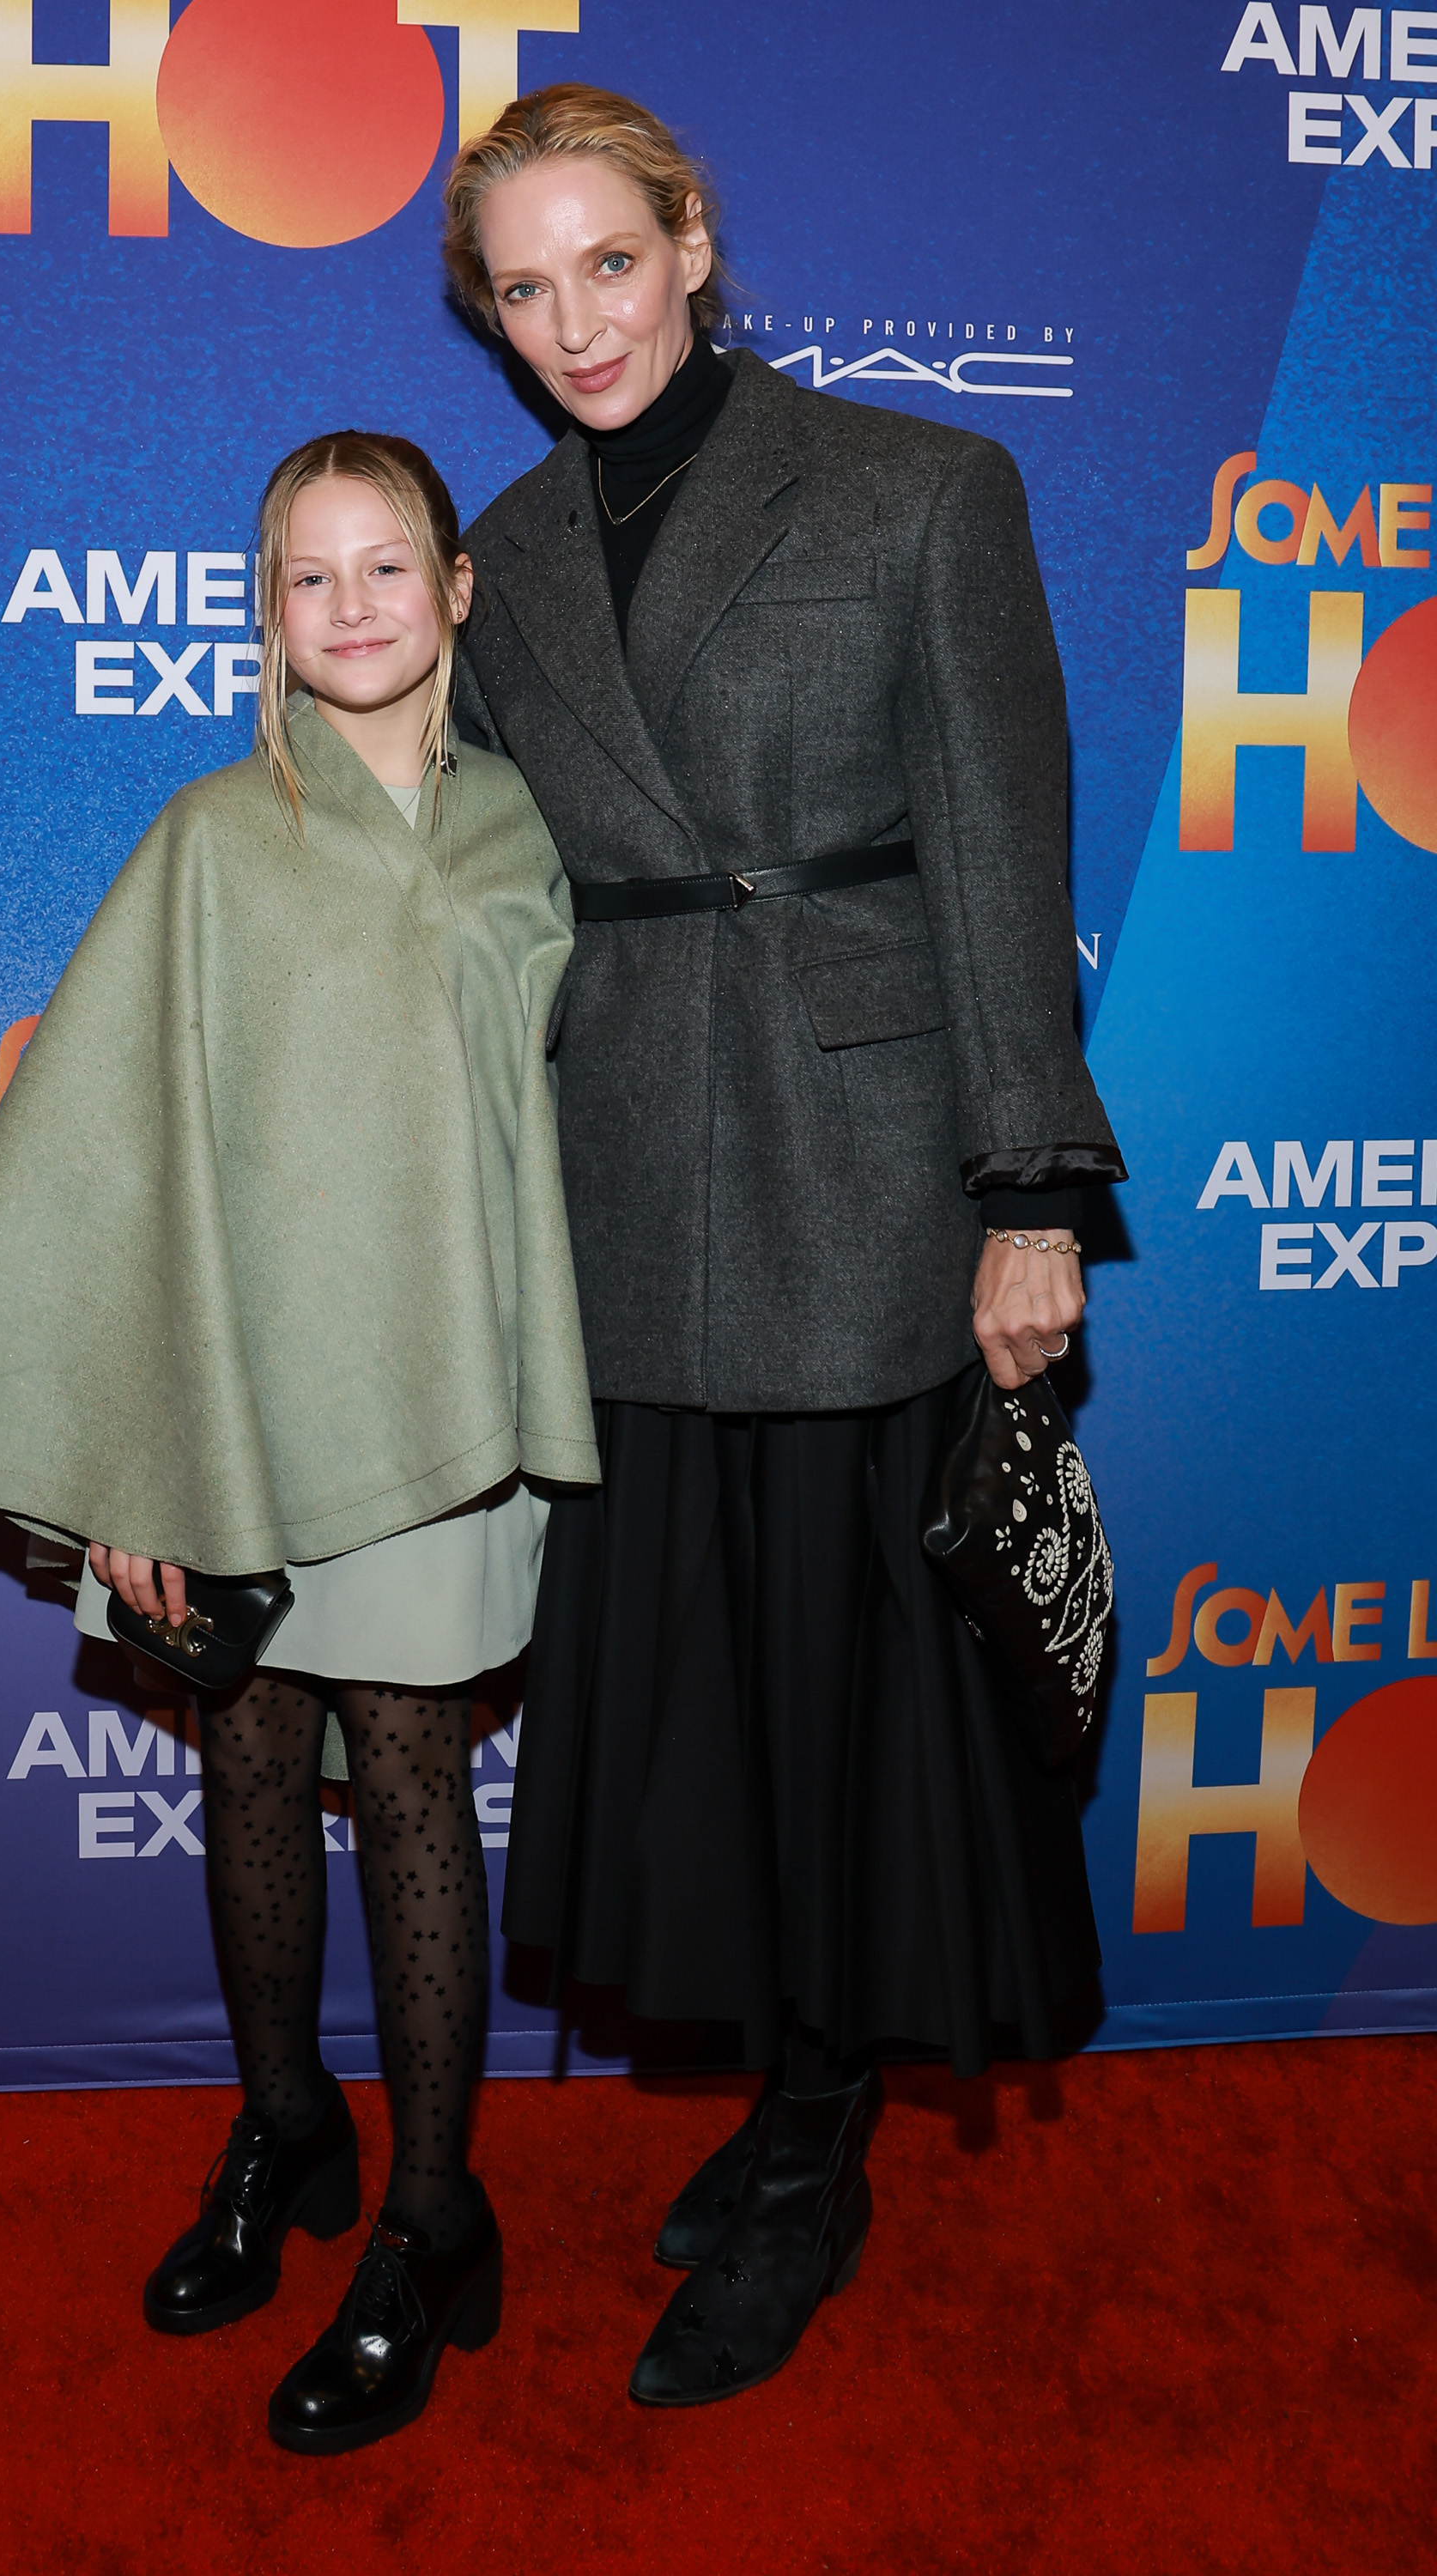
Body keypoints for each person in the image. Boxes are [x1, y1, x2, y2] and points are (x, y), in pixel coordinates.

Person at [440, 86, 1126, 2409]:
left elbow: (998, 848)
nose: (573, 326)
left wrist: (1030, 1193)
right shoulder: (504, 548)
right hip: (630, 1171)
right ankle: (784, 2096)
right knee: (715, 1715)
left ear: (696, 242)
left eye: (605, 266)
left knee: (847, 1711)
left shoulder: (917, 488)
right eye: (522, 291)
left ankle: (819, 2145)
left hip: (862, 1174)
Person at [0, 431, 599, 2452]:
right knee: (255, 1759)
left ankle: (434, 2219)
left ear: (458, 590)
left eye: (387, 568)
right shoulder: (204, 841)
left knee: (420, 1780)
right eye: (304, 577)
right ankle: (288, 2133)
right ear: (259, 616)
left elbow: (566, 1147)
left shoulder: (539, 840)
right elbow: (108, 1180)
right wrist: (133, 1473)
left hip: (452, 1409)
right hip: (233, 1411)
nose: (349, 607)